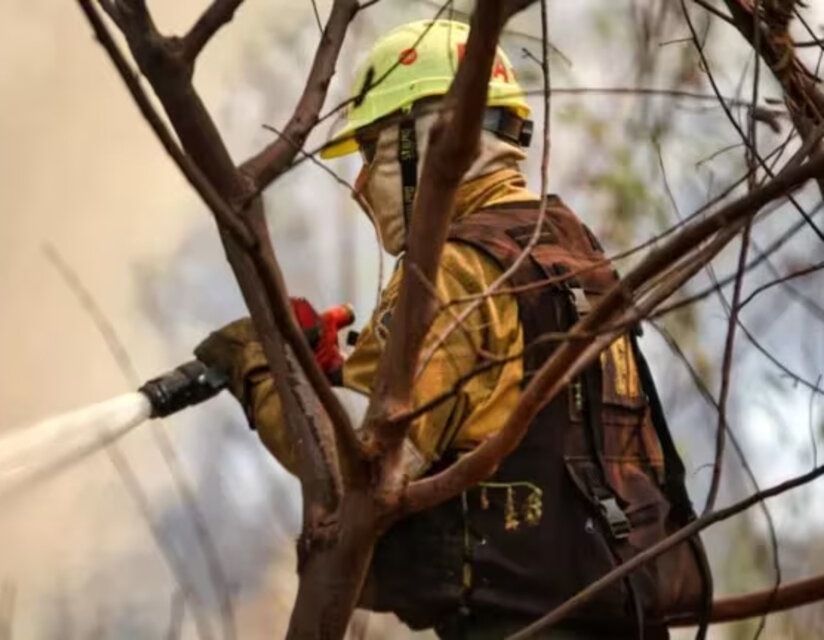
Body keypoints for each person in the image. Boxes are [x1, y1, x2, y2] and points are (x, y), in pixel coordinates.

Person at [196, 19, 711, 639]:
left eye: (371, 153)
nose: (359, 185)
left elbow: (357, 481)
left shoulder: (452, 270)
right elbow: (491, 413)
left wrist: (261, 364)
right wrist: (332, 377)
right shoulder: (568, 247)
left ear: (428, 137)